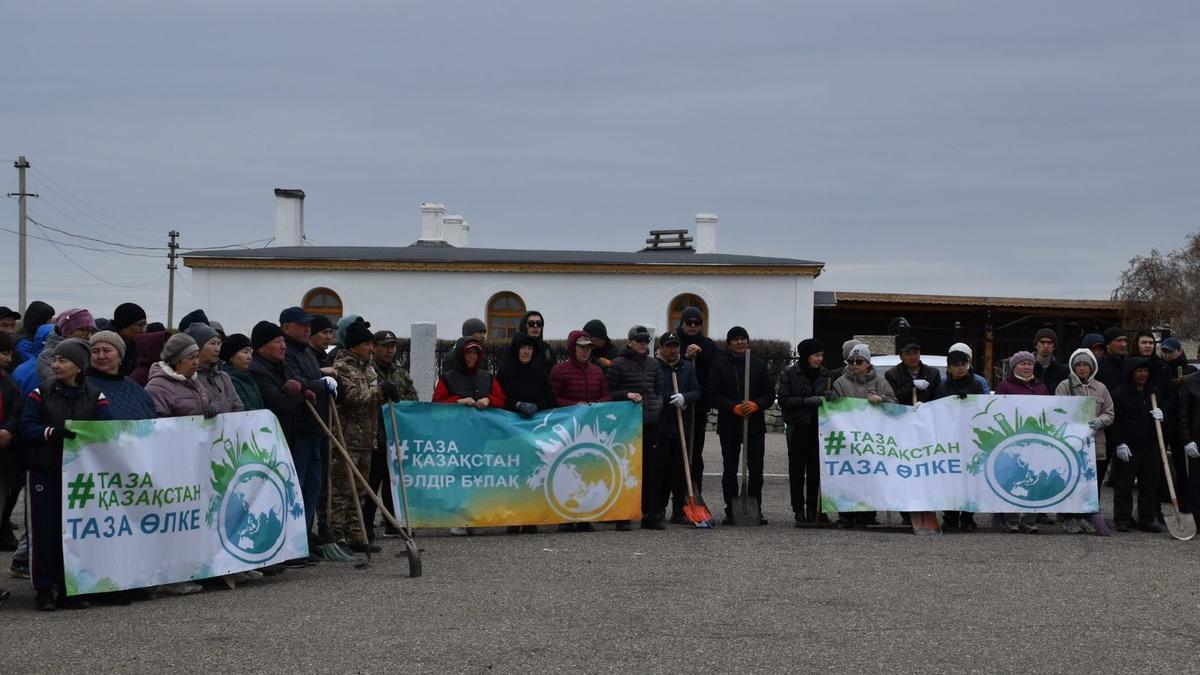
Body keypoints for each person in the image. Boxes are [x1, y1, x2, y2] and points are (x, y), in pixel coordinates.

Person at [20, 338, 111, 610]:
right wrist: (51, 433)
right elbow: (26, 427)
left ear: (79, 367)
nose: (56, 365)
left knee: (73, 530)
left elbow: (107, 429)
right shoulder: (40, 392)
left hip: (78, 474)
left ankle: (71, 585)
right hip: (44, 471)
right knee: (43, 530)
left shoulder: (96, 395)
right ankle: (45, 588)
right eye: (55, 360)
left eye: (63, 360)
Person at [248, 320, 315, 568]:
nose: (283, 346)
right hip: (268, 443)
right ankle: (269, 551)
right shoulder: (258, 369)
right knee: (269, 499)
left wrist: (301, 387)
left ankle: (289, 546)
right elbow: (279, 403)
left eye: (283, 341)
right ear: (263, 346)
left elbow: (301, 381)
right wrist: (298, 393)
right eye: (278, 341)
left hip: (287, 439)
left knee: (288, 494)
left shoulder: (281, 366)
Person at [433, 337, 505, 536]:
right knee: (460, 477)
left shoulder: (487, 377)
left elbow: (501, 398)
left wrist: (488, 399)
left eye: (475, 353)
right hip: (457, 436)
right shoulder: (447, 378)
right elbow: (437, 404)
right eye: (468, 353)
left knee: (478, 477)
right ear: (461, 355)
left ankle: (475, 517)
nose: (472, 357)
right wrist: (458, 401)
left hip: (482, 436)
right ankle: (458, 517)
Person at [706, 326, 774, 526]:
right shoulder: (719, 365)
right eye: (735, 339)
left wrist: (756, 404)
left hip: (754, 424)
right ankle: (730, 509)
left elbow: (769, 394)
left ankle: (755, 507)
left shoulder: (758, 365)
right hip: (729, 424)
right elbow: (712, 393)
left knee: (756, 468)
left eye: (743, 338)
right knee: (729, 468)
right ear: (729, 343)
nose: (740, 342)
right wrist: (732, 407)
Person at [279, 306, 335, 549]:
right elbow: (298, 382)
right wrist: (321, 384)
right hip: (301, 428)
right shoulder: (288, 353)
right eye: (302, 325)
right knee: (299, 486)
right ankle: (293, 540)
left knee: (314, 486)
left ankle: (305, 536)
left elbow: (311, 380)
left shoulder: (308, 354)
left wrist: (325, 384)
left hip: (317, 428)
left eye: (308, 325)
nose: (307, 329)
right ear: (286, 327)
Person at [549, 330, 612, 532]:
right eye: (581, 348)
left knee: (588, 472)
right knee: (567, 473)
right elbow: (552, 399)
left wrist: (595, 404)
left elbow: (607, 396)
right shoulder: (559, 371)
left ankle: (585, 516)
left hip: (591, 431)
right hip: (567, 431)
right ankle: (566, 517)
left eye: (588, 348)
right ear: (572, 348)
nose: (585, 352)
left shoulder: (597, 371)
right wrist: (575, 405)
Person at [497, 332, 557, 534]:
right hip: (511, 432)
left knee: (533, 472)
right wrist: (517, 404)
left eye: (530, 348)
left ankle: (531, 516)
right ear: (516, 349)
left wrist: (536, 406)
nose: (526, 351)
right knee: (513, 473)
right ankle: (513, 517)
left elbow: (550, 399)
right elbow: (499, 398)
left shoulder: (539, 373)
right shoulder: (505, 373)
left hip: (534, 431)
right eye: (523, 347)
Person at [832, 343, 896, 527]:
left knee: (869, 475)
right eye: (851, 361)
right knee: (847, 475)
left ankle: (867, 514)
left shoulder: (880, 382)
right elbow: (832, 407)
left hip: (871, 438)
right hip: (848, 437)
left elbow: (894, 402)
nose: (854, 364)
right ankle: (846, 514)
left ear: (867, 363)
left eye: (859, 361)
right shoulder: (840, 383)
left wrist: (881, 399)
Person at [607, 325, 664, 531]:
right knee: (626, 470)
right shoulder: (618, 364)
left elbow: (659, 390)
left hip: (650, 423)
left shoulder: (653, 364)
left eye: (645, 340)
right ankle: (623, 515)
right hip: (627, 427)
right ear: (630, 341)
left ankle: (649, 513)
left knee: (651, 470)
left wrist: (657, 405)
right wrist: (626, 395)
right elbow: (609, 393)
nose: (642, 344)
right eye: (639, 340)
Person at [331, 322, 382, 552]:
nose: (371, 348)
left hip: (366, 437)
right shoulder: (342, 366)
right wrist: (379, 392)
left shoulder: (368, 367)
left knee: (361, 489)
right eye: (366, 344)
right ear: (354, 346)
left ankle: (356, 532)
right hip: (347, 437)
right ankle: (337, 534)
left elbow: (373, 392)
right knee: (342, 488)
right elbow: (352, 396)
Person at [1055, 348, 1115, 535]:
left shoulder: (1101, 388)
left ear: (1092, 368)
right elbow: (1058, 410)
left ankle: (1088, 515)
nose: (1082, 369)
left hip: (1095, 442)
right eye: (1078, 365)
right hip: (1071, 443)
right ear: (1073, 367)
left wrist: (1100, 421)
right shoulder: (1064, 386)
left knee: (1092, 481)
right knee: (1071, 479)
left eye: (1085, 365)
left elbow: (1110, 412)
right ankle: (1069, 516)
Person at [366, 329, 417, 540]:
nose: (390, 350)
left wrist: (399, 400)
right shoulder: (368, 370)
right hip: (372, 435)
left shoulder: (400, 373)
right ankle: (365, 525)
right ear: (374, 347)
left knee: (393, 481)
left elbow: (412, 399)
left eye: (393, 346)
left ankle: (393, 522)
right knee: (371, 481)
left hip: (394, 436)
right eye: (385, 346)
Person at [1110, 357, 1171, 532]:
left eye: (1145, 371)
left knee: (1149, 484)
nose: (1143, 374)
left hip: (1151, 446)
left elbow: (1163, 415)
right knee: (1124, 484)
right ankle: (1123, 518)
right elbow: (1116, 421)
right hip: (1129, 446)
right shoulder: (1120, 393)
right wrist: (1120, 443)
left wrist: (1162, 415)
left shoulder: (1153, 392)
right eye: (1139, 371)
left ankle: (1146, 518)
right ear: (1131, 373)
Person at [777, 338, 834, 527]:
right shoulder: (791, 374)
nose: (820, 359)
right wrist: (806, 401)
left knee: (815, 471)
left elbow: (831, 398)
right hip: (798, 427)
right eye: (816, 355)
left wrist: (832, 397)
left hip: (818, 428)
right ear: (806, 356)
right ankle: (798, 510)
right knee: (797, 472)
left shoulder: (825, 375)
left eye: (821, 355)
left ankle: (813, 509)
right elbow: (784, 400)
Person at [994, 351, 1049, 533]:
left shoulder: (1041, 386)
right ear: (1014, 366)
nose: (1027, 367)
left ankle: (1029, 520)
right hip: (1013, 441)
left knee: (1034, 478)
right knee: (1014, 478)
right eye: (1022, 364)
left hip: (1037, 440)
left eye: (1030, 364)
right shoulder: (1005, 386)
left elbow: (1049, 411)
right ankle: (1011, 519)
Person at [936, 344, 989, 531]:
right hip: (950, 438)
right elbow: (936, 409)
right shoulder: (943, 386)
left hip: (972, 437)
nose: (960, 367)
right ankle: (950, 516)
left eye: (963, 364)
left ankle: (968, 516)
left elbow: (985, 408)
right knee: (950, 478)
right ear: (949, 367)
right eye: (956, 365)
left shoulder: (976, 384)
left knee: (971, 477)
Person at [655, 331, 702, 525]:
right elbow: (653, 390)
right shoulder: (655, 367)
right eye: (669, 346)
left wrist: (685, 398)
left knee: (680, 470)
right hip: (661, 424)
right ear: (661, 348)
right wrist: (668, 398)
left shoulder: (686, 367)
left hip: (681, 424)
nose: (673, 350)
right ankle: (658, 509)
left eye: (676, 346)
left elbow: (697, 391)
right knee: (660, 470)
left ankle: (678, 510)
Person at [675, 307, 719, 497]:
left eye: (697, 323)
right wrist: (684, 356)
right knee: (677, 452)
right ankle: (677, 496)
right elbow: (667, 362)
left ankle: (694, 492)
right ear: (682, 323)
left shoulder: (708, 344)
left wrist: (701, 353)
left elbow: (718, 367)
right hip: (677, 404)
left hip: (698, 406)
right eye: (689, 322)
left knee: (695, 452)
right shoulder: (673, 341)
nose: (693, 326)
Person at [1160, 337, 1197, 512]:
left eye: (1170, 351)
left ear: (1179, 350)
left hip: (1182, 426)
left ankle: (1187, 504)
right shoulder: (1160, 369)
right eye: (1164, 351)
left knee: (1184, 467)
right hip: (1164, 420)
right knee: (1163, 464)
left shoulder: (1190, 371)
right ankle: (1164, 498)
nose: (1167, 355)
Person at [85, 331, 155, 421]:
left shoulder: (133, 387)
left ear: (120, 356)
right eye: (95, 351)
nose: (101, 356)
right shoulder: (82, 387)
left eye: (106, 350)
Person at [144, 333, 212, 420]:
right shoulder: (157, 387)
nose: (196, 362)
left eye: (197, 357)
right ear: (176, 361)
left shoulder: (194, 381)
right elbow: (157, 424)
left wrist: (211, 408)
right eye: (191, 358)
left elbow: (208, 400)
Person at [186, 322, 243, 415]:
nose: (217, 349)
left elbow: (238, 407)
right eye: (212, 343)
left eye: (219, 343)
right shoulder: (189, 378)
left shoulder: (224, 377)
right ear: (197, 347)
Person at [0, 333, 22, 551]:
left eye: (10, 353)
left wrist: (8, 429)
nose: (8, 358)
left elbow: (17, 410)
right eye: (4, 353)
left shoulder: (7, 381)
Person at [885, 336, 941, 406]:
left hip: (928, 414)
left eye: (915, 353)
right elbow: (893, 399)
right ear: (901, 356)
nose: (913, 357)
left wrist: (926, 405)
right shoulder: (892, 375)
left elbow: (938, 398)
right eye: (908, 354)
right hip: (902, 415)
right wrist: (911, 385)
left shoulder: (933, 373)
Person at [220, 334, 263, 411]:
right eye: (245, 352)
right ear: (231, 356)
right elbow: (244, 408)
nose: (250, 357)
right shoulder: (229, 379)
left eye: (250, 352)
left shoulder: (248, 376)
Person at [112, 302, 147, 377]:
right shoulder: (107, 352)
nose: (143, 330)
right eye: (140, 325)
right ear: (123, 328)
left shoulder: (139, 348)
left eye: (145, 325)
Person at [13, 300, 54, 365]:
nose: (50, 323)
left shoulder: (31, 336)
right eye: (48, 320)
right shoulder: (24, 343)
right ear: (39, 320)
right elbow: (37, 364)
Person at [1033, 328, 1070, 394]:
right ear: (1036, 345)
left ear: (1054, 347)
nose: (1046, 346)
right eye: (1042, 342)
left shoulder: (1063, 371)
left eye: (1049, 343)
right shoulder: (1026, 368)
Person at [1095, 327, 1127, 393]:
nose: (1123, 344)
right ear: (1107, 344)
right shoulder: (1099, 367)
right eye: (1119, 341)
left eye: (1124, 340)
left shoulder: (1128, 364)